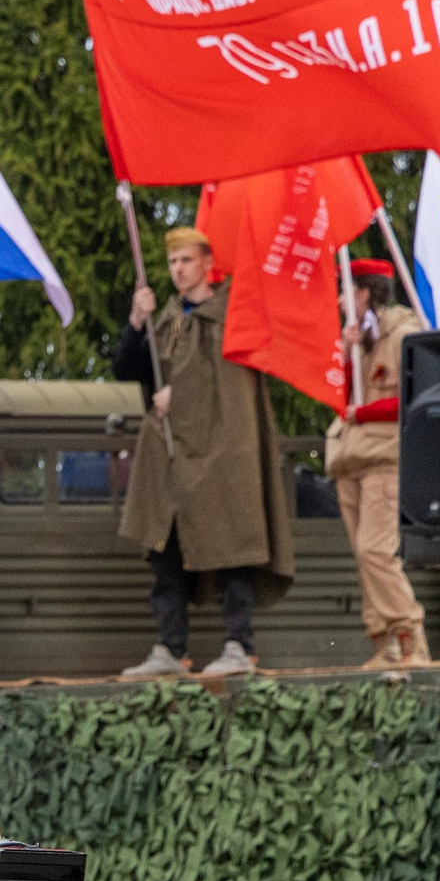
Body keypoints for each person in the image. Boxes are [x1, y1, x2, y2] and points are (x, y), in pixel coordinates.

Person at [115, 224, 297, 679]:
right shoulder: (169, 317)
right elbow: (130, 369)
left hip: (222, 452)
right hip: (172, 452)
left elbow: (226, 382)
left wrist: (182, 394)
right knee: (167, 551)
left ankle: (239, 646)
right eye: (173, 262)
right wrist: (137, 323)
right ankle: (171, 650)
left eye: (187, 261)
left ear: (206, 263)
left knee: (232, 545)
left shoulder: (231, 313)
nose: (178, 270)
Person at [325, 257, 429, 670]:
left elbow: (416, 397)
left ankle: (410, 635)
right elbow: (343, 395)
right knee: (362, 554)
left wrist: (363, 415)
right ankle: (383, 641)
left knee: (375, 549)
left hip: (385, 455)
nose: (337, 300)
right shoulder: (356, 337)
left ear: (364, 293)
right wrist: (347, 351)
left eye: (344, 290)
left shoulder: (404, 335)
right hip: (349, 456)